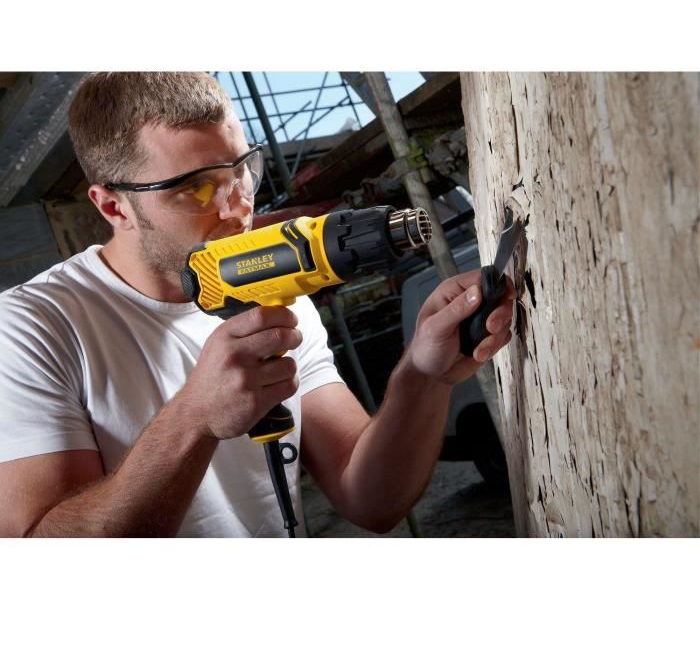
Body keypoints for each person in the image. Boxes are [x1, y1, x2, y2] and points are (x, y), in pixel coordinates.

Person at [0, 73, 514, 537]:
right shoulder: (31, 329)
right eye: (195, 187)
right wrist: (195, 419)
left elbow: (370, 499)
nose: (238, 206)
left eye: (243, 168)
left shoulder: (272, 289)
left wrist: (423, 376)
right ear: (114, 206)